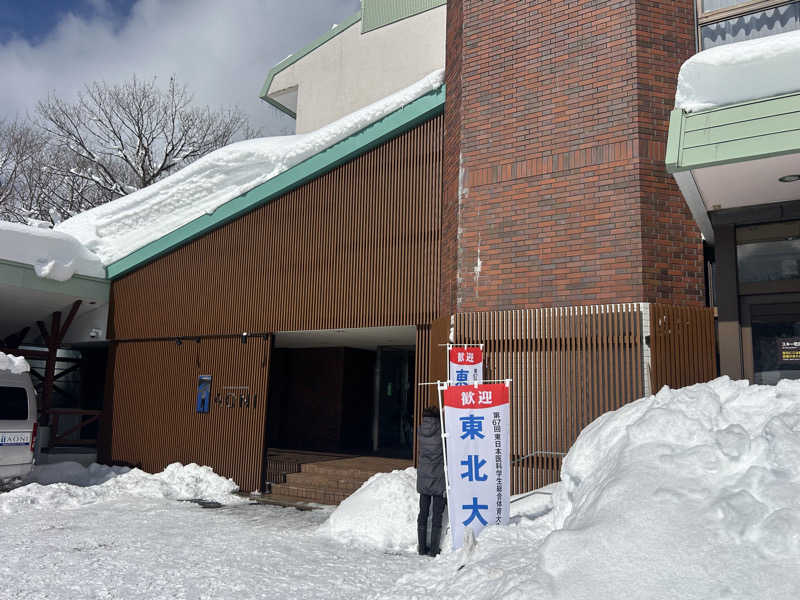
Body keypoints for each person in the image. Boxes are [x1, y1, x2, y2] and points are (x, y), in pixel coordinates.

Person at [417, 404, 446, 556]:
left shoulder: (420, 431)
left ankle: (421, 548)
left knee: (423, 513)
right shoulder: (441, 432)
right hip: (438, 478)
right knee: (437, 515)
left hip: (423, 478)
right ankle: (434, 550)